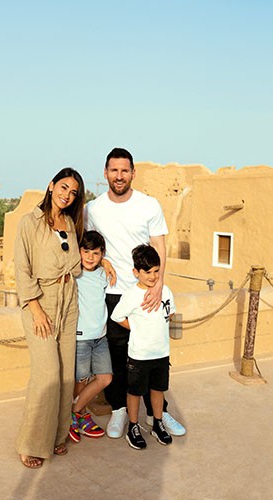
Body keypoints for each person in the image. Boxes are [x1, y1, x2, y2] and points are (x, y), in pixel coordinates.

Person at [85, 147, 186, 439]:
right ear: (105, 173)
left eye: (124, 170)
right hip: (112, 293)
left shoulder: (149, 205)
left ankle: (160, 413)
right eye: (114, 170)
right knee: (118, 357)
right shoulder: (93, 209)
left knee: (153, 356)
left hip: (145, 293)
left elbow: (159, 245)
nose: (119, 176)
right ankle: (120, 411)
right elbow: (90, 245)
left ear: (133, 173)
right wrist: (103, 261)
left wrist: (157, 284)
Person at [14, 167, 85, 469]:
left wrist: (104, 262)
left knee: (66, 375)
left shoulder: (70, 222)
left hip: (69, 301)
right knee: (47, 375)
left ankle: (56, 437)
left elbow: (82, 258)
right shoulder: (29, 223)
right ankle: (31, 444)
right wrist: (35, 308)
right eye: (64, 187)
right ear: (51, 185)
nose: (67, 195)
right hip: (41, 301)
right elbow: (22, 269)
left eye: (73, 193)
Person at [110, 244, 176, 449]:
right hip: (139, 355)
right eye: (147, 272)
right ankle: (133, 426)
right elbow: (116, 316)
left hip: (161, 353)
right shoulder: (131, 295)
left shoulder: (165, 290)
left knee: (158, 389)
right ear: (135, 272)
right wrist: (136, 328)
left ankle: (157, 423)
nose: (153, 276)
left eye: (156, 271)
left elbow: (170, 312)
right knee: (135, 391)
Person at [69, 230, 113, 443]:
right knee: (81, 380)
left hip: (101, 337)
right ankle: (80, 415)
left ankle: (75, 412)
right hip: (81, 337)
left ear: (102, 254)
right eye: (85, 251)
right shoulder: (75, 273)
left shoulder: (104, 273)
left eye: (95, 253)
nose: (89, 257)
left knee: (105, 378)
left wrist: (106, 263)